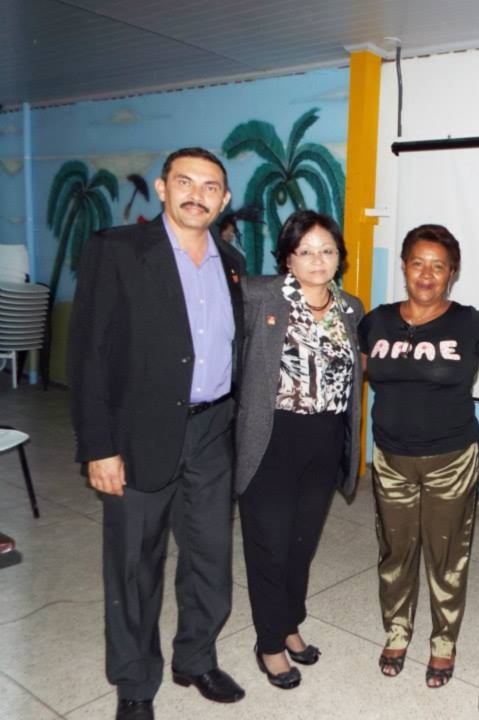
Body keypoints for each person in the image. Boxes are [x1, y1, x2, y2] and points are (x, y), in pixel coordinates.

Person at [68, 147, 246, 720]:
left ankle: (195, 658)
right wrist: (99, 447)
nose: (198, 194)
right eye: (185, 182)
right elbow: (88, 355)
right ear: (164, 188)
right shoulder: (118, 250)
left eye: (211, 186)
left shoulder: (231, 259)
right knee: (133, 565)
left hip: (213, 429)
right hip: (137, 434)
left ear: (224, 199)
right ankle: (135, 685)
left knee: (210, 557)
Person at [358, 224, 479, 688]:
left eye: (438, 266)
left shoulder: (470, 324)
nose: (427, 274)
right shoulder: (375, 321)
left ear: (452, 272)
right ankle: (397, 632)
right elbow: (350, 373)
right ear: (404, 266)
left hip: (451, 458)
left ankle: (443, 642)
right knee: (395, 551)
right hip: (390, 457)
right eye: (418, 263)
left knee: (446, 556)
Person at [234, 209, 363, 689]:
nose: (317, 259)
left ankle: (289, 624)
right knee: (269, 545)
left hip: (325, 440)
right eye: (305, 250)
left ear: (339, 258)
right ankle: (269, 643)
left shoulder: (351, 309)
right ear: (287, 257)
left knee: (301, 544)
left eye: (327, 250)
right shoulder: (257, 296)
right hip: (271, 437)